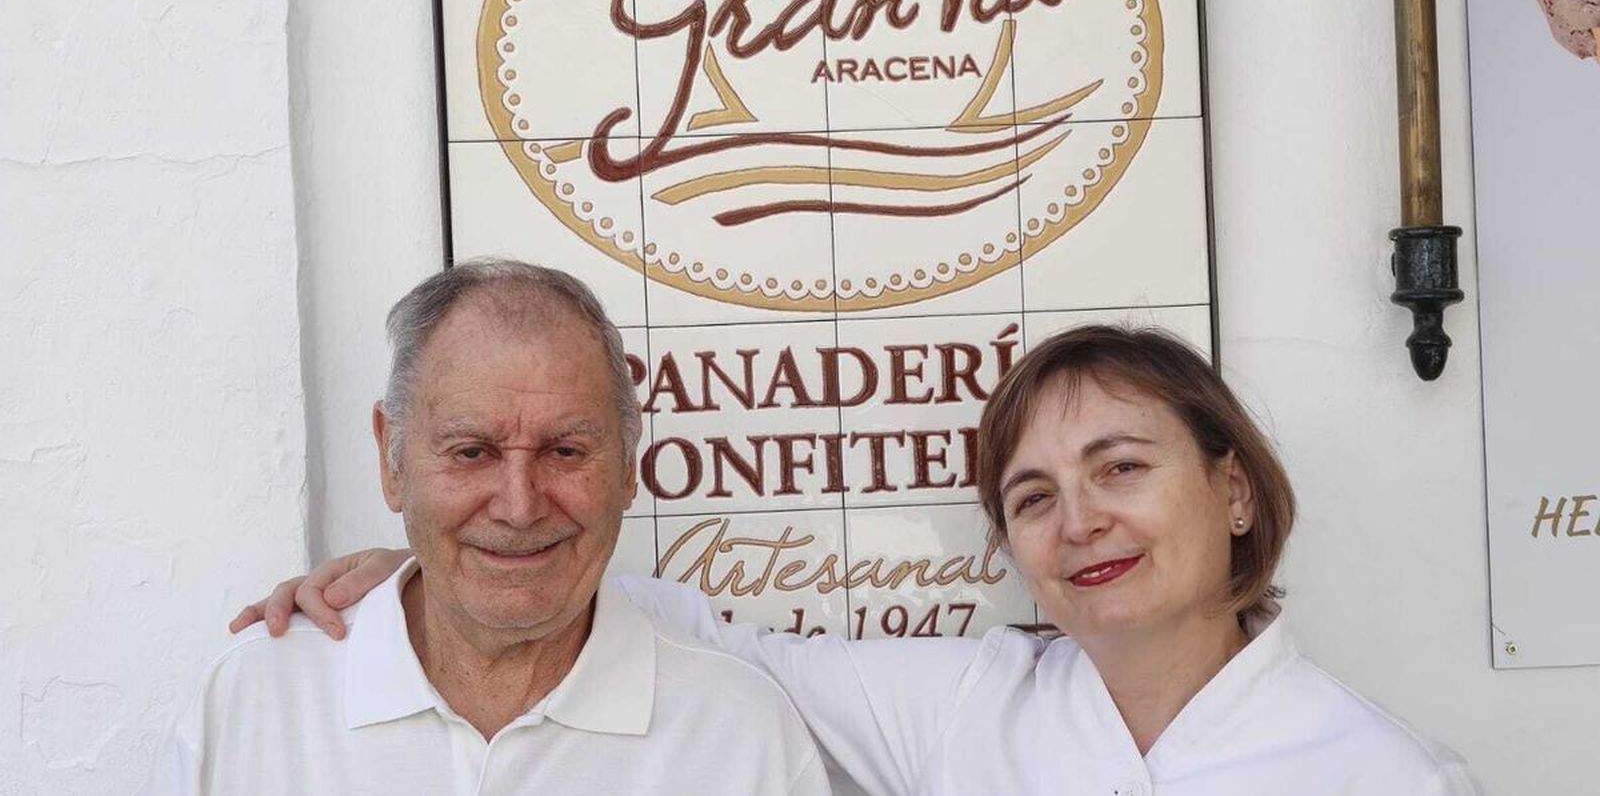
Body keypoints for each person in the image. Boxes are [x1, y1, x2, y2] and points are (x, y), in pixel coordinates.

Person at [237, 325, 1479, 795]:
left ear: (1235, 485)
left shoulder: (1382, 775)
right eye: (1031, 495)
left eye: (1120, 468)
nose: (1079, 522)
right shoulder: (966, 706)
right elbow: (710, 640)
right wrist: (432, 564)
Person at [151, 260, 828, 795]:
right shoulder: (252, 704)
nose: (519, 505)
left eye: (565, 451)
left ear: (627, 466)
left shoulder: (741, 736)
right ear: (393, 459)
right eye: (471, 451)